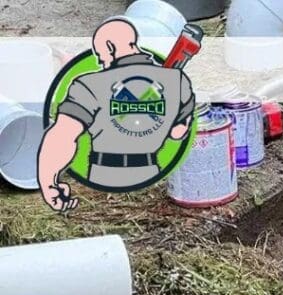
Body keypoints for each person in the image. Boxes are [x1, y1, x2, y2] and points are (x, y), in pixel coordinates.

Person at [37, 18, 195, 212]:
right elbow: (178, 132)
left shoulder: (90, 84)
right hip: (152, 174)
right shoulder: (177, 81)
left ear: (110, 47)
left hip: (104, 177)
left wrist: (48, 183)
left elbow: (63, 135)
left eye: (100, 54)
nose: (100, 61)